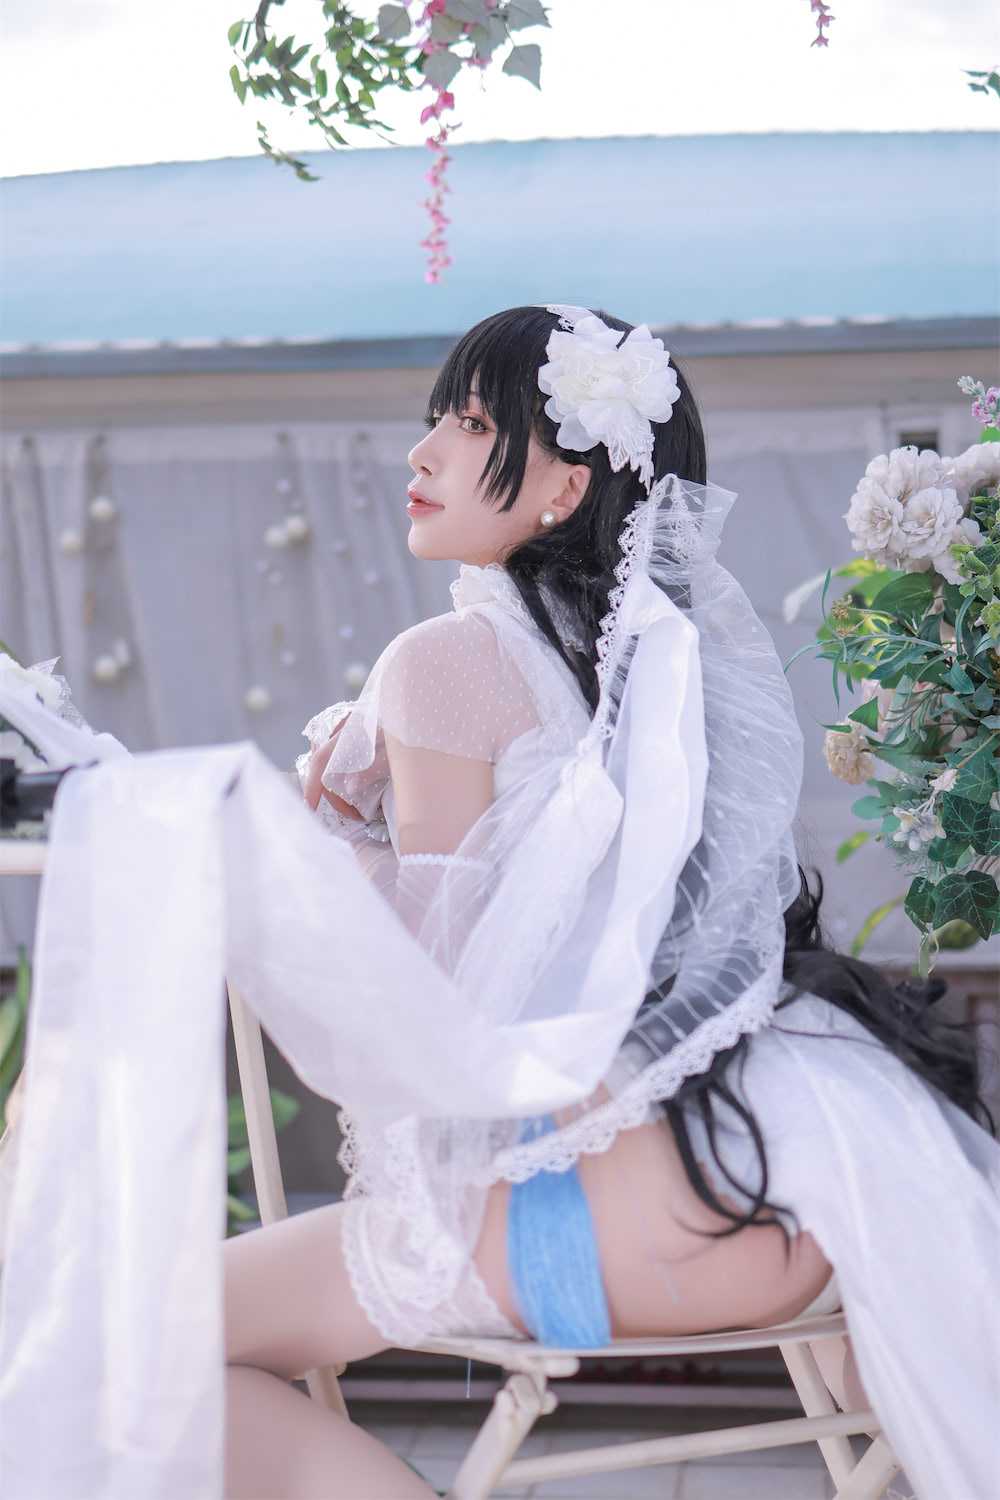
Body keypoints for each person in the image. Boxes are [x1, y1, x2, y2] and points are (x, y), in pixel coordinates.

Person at [1, 306, 997, 1500]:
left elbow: (432, 1017)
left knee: (109, 1347)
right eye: (436, 419)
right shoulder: (648, 670)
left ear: (567, 486)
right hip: (791, 1187)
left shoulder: (445, 663)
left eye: (472, 425)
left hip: (610, 1205)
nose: (421, 452)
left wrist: (327, 850)